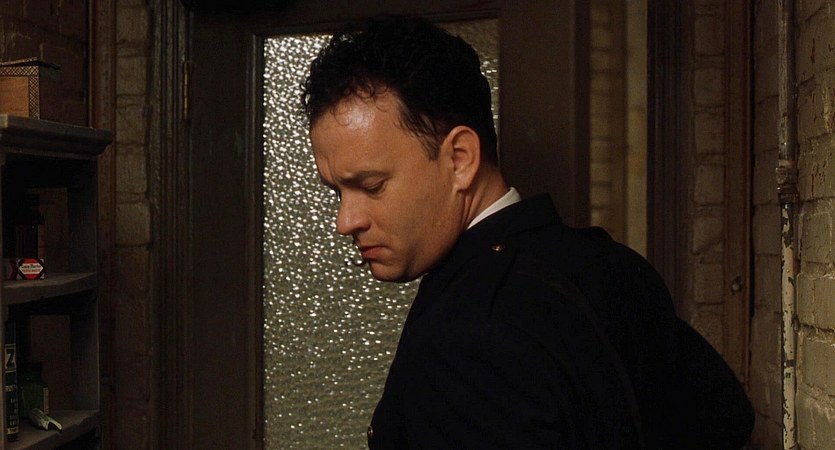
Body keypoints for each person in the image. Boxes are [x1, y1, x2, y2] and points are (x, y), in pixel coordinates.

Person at [301, 16, 754, 449]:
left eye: (372, 186)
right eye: (337, 191)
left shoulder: (467, 339)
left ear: (460, 159)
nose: (346, 220)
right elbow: (729, 419)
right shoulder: (612, 264)